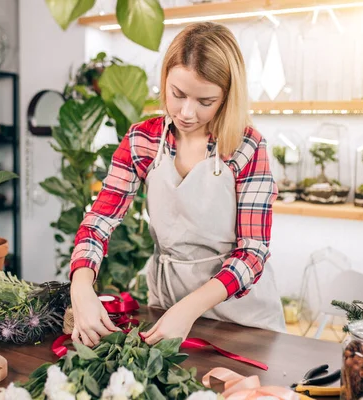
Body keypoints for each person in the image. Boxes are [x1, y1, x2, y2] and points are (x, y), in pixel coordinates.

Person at [69, 22, 285, 348]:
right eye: (177, 94)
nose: (186, 112)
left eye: (205, 101)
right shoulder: (143, 140)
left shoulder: (247, 147)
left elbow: (252, 253)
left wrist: (189, 309)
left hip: (243, 319)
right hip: (166, 308)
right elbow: (99, 221)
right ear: (165, 80)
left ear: (227, 96)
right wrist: (81, 287)